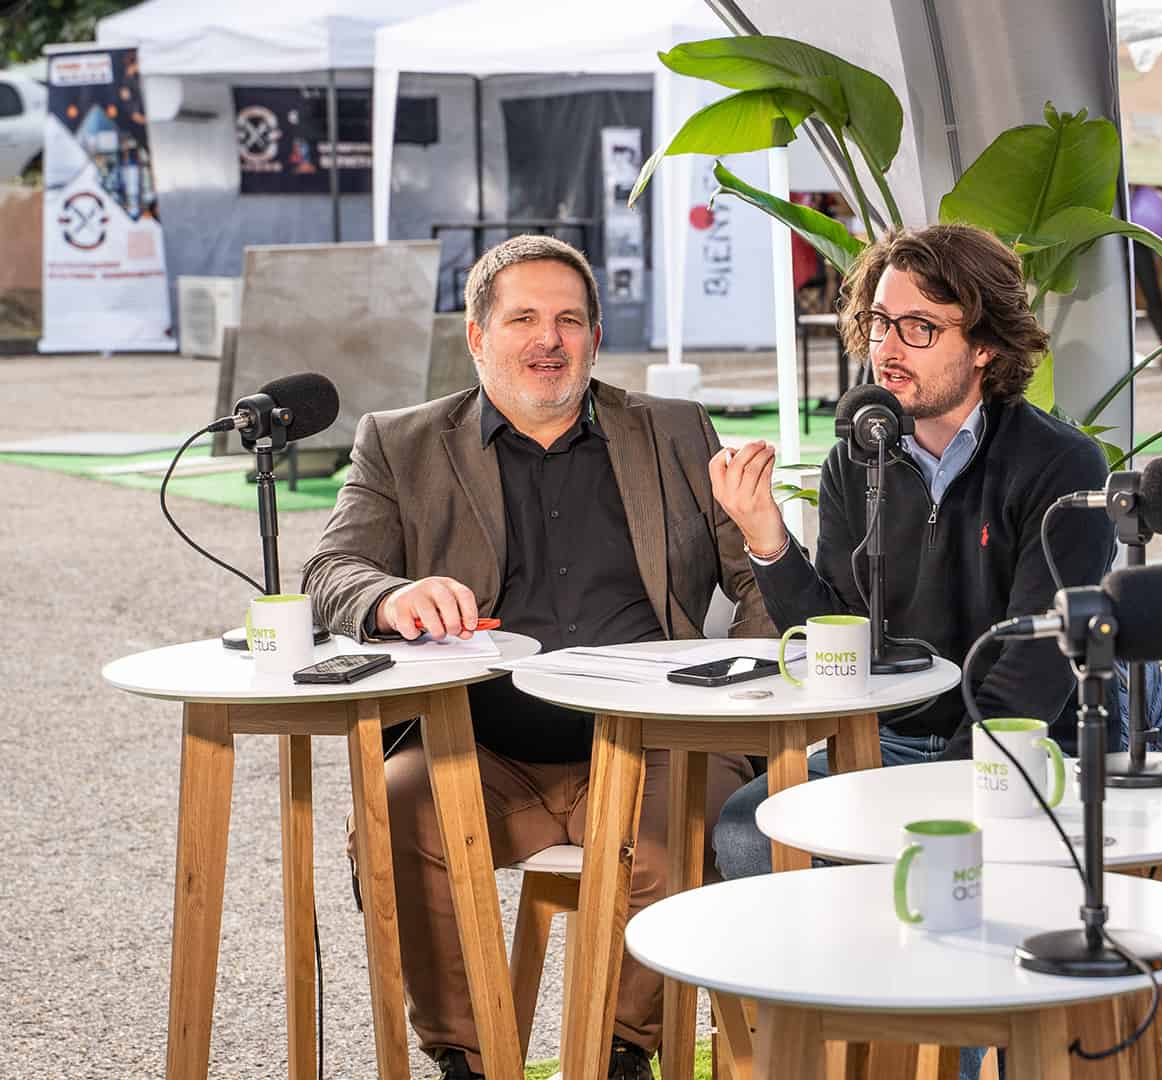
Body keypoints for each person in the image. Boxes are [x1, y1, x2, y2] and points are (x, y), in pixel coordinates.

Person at [303, 234, 773, 1080]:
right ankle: (468, 1060)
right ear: (478, 337)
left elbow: (763, 577)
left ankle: (624, 1053)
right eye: (522, 318)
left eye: (569, 319)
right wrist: (389, 597)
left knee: (676, 836)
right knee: (400, 811)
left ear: (595, 336)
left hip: (648, 739)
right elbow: (331, 570)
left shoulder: (672, 430)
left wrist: (729, 693)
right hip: (476, 746)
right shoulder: (401, 443)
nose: (547, 339)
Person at [705, 224, 1115, 883]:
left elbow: (1035, 669)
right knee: (747, 832)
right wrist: (766, 537)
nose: (888, 350)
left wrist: (931, 791)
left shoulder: (1060, 464)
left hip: (1023, 750)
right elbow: (838, 643)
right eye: (880, 323)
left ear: (984, 345)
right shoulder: (853, 460)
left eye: (919, 328)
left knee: (911, 864)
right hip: (884, 744)